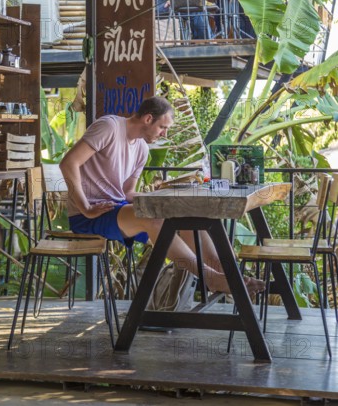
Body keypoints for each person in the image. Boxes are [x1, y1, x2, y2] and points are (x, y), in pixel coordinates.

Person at [59, 96, 264, 296]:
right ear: (148, 119)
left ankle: (230, 275)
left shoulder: (140, 148)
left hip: (116, 208)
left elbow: (127, 193)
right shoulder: (110, 127)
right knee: (154, 220)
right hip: (88, 216)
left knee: (189, 217)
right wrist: (85, 207)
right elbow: (69, 163)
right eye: (162, 127)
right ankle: (210, 279)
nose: (164, 134)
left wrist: (169, 199)